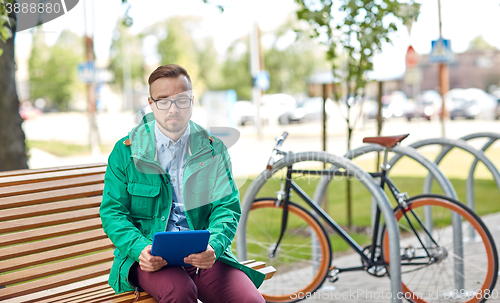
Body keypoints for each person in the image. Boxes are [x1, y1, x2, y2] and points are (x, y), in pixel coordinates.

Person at [100, 64, 266, 303]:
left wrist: (214, 246)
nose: (173, 109)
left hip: (203, 255)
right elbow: (113, 213)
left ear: (192, 100)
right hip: (150, 258)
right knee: (179, 291)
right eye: (163, 101)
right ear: (151, 103)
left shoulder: (212, 149)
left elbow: (226, 208)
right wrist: (139, 250)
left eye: (182, 100)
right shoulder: (126, 152)